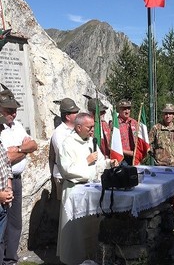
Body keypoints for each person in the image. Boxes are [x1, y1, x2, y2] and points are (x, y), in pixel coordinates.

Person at [56, 112, 118, 265]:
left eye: (93, 127)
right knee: (76, 235)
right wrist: (87, 161)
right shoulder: (67, 144)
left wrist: (109, 163)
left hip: (92, 191)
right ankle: (74, 261)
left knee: (92, 232)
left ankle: (92, 260)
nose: (92, 130)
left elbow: (99, 162)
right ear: (78, 127)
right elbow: (67, 170)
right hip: (75, 192)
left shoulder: (91, 141)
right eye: (89, 127)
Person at [0, 89, 38, 265]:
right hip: (2, 182)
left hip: (16, 179)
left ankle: (11, 258)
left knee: (15, 222)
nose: (13, 113)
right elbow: (4, 158)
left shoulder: (18, 125)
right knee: (2, 224)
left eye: (14, 110)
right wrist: (23, 150)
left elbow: (33, 145)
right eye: (9, 110)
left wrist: (19, 149)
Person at [50, 98, 80, 200]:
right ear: (67, 116)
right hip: (63, 177)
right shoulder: (59, 133)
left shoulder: (76, 130)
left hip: (75, 174)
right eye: (75, 112)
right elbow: (63, 155)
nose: (77, 114)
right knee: (65, 208)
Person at [0, 113, 13, 264]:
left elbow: (7, 166)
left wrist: (9, 187)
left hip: (3, 202)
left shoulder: (0, 144)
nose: (2, 129)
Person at [117, 99, 138, 165]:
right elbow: (112, 145)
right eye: (124, 109)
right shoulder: (115, 124)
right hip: (121, 158)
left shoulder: (134, 122)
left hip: (135, 158)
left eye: (128, 109)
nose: (127, 111)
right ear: (119, 110)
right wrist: (128, 152)